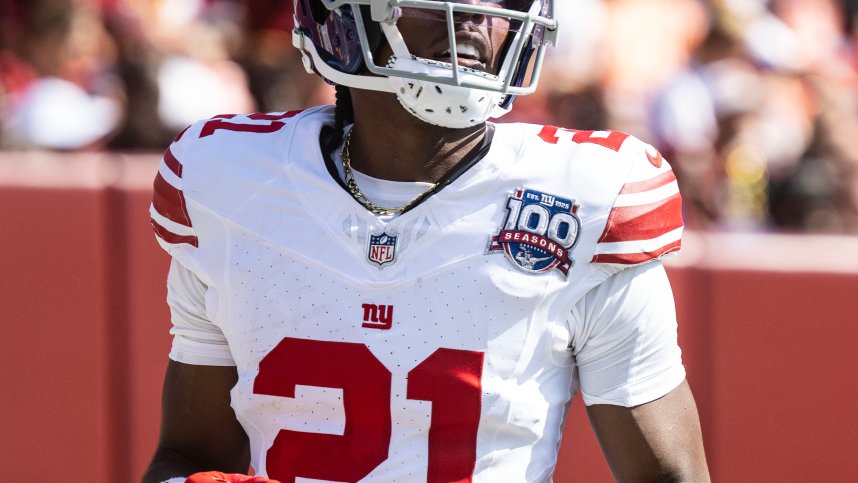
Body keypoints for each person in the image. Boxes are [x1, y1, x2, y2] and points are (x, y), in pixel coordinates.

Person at [143, 1, 710, 482]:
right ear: (340, 18)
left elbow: (667, 476)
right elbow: (193, 453)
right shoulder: (229, 183)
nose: (476, 17)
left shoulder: (586, 199)